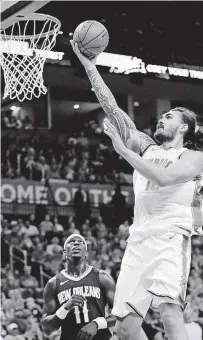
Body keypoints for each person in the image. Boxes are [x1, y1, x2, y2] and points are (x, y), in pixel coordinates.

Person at [70, 41, 203, 340]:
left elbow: (165, 178)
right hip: (139, 239)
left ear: (184, 128)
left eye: (169, 117)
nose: (161, 118)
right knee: (126, 328)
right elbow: (111, 106)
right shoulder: (145, 145)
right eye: (162, 115)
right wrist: (89, 64)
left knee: (170, 311)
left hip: (170, 236)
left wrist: (123, 151)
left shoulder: (194, 157)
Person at [42, 234, 116, 340]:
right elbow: (47, 328)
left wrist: (97, 323)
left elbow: (119, 315)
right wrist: (64, 308)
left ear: (86, 253)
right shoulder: (53, 283)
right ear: (64, 252)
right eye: (71, 241)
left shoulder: (103, 278)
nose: (76, 243)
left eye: (80, 242)